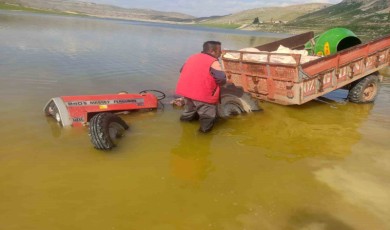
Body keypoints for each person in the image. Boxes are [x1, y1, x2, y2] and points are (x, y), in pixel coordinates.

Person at [175, 41, 226, 133]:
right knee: (208, 116)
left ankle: (184, 127)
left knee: (188, 111)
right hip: (203, 95)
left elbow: (182, 70)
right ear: (212, 51)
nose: (221, 53)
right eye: (219, 51)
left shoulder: (192, 57)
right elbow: (221, 79)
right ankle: (203, 137)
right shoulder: (213, 62)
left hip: (187, 92)